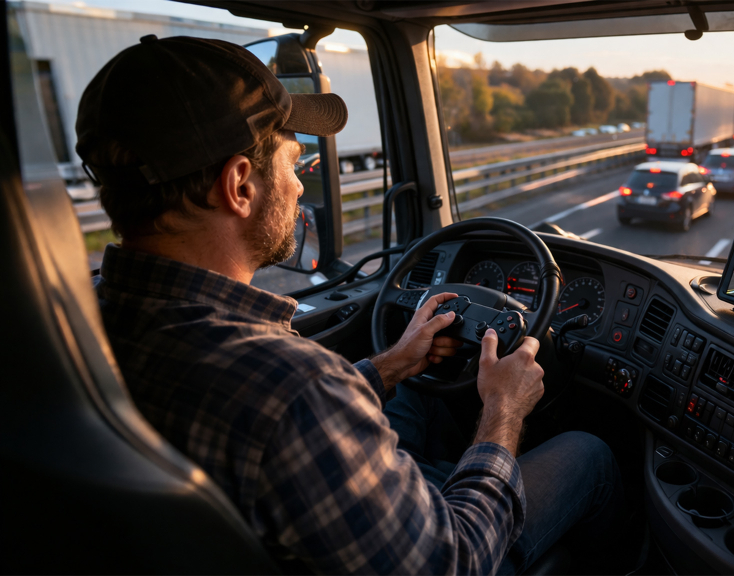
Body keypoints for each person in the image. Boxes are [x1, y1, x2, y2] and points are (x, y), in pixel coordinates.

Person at [79, 35, 624, 574]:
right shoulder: (296, 391)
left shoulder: (87, 319)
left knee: (415, 388)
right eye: (296, 163)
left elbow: (285, 429)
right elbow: (450, 562)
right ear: (239, 186)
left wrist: (391, 365)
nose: (298, 186)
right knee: (588, 453)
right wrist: (503, 411)